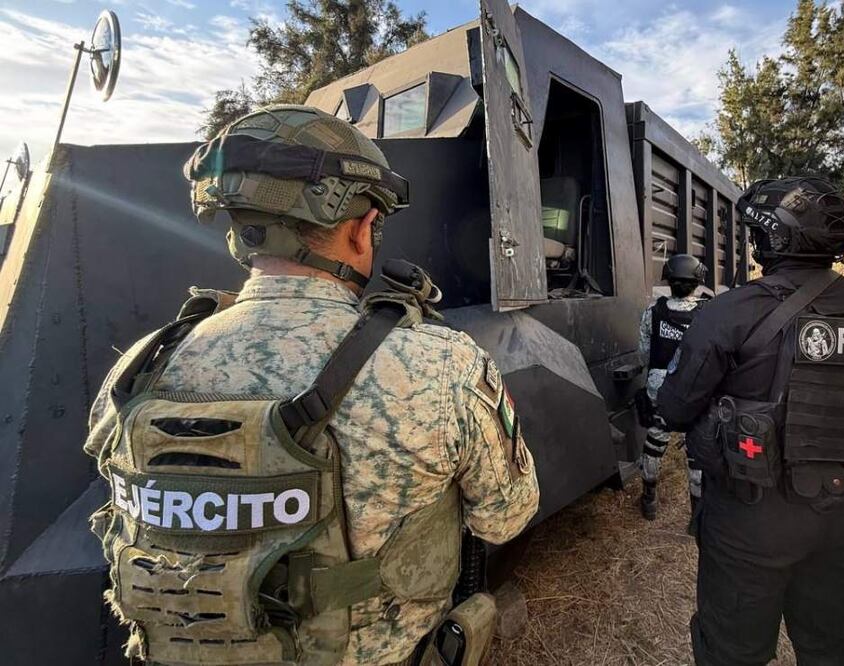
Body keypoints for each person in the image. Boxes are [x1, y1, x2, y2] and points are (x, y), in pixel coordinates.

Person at [83, 105, 540, 666]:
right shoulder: (439, 364)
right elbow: (507, 516)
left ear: (241, 231)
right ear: (359, 226)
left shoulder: (144, 363)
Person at [657, 176, 844, 666]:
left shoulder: (727, 314)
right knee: (827, 650)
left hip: (750, 520)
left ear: (771, 239)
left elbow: (675, 409)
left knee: (731, 654)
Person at [636, 253, 708, 521]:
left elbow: (644, 354)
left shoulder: (652, 313)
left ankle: (649, 501)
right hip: (693, 391)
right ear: (697, 281)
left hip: (659, 387)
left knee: (655, 442)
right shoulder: (707, 313)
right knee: (696, 453)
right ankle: (697, 516)